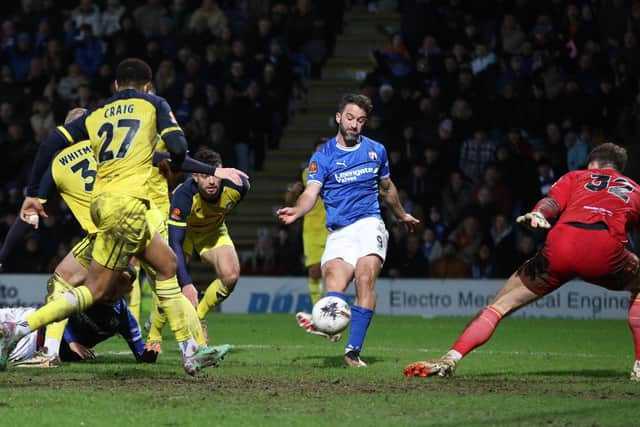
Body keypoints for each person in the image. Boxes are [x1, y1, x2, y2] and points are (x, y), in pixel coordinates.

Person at [1, 58, 245, 375]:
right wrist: (195, 162)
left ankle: (191, 351)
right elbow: (176, 148)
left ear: (116, 86)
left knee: (167, 265)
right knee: (98, 290)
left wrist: (33, 194)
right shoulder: (152, 104)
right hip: (128, 207)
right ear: (147, 85)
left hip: (105, 208)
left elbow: (49, 142)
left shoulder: (96, 116)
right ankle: (19, 328)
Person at [404, 143, 640, 382]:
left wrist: (538, 214)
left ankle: (451, 358)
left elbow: (551, 203)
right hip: (606, 249)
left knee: (498, 306)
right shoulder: (634, 188)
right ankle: (639, 366)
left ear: (592, 164)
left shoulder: (577, 176)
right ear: (619, 168)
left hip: (561, 245)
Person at [277, 93, 419, 367]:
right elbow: (311, 193)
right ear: (339, 118)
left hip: (369, 223)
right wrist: (297, 210)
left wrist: (401, 214)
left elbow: (387, 188)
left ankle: (352, 351)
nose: (355, 125)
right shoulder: (323, 156)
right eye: (351, 118)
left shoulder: (376, 151)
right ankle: (328, 324)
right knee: (334, 283)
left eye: (361, 121)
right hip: (339, 231)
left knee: (364, 279)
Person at [146, 148, 249, 347]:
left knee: (231, 276)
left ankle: (198, 315)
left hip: (213, 231)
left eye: (214, 175)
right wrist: (186, 283)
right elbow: (175, 241)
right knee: (170, 280)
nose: (211, 181)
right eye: (204, 176)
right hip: (184, 233)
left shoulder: (238, 186)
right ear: (194, 176)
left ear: (222, 172)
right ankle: (154, 335)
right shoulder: (183, 196)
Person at [284, 138, 329, 305]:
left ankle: (331, 304)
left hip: (334, 226)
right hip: (312, 229)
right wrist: (292, 193)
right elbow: (290, 198)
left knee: (332, 269)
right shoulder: (305, 173)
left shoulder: (340, 171)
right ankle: (318, 306)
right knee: (315, 271)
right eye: (319, 150)